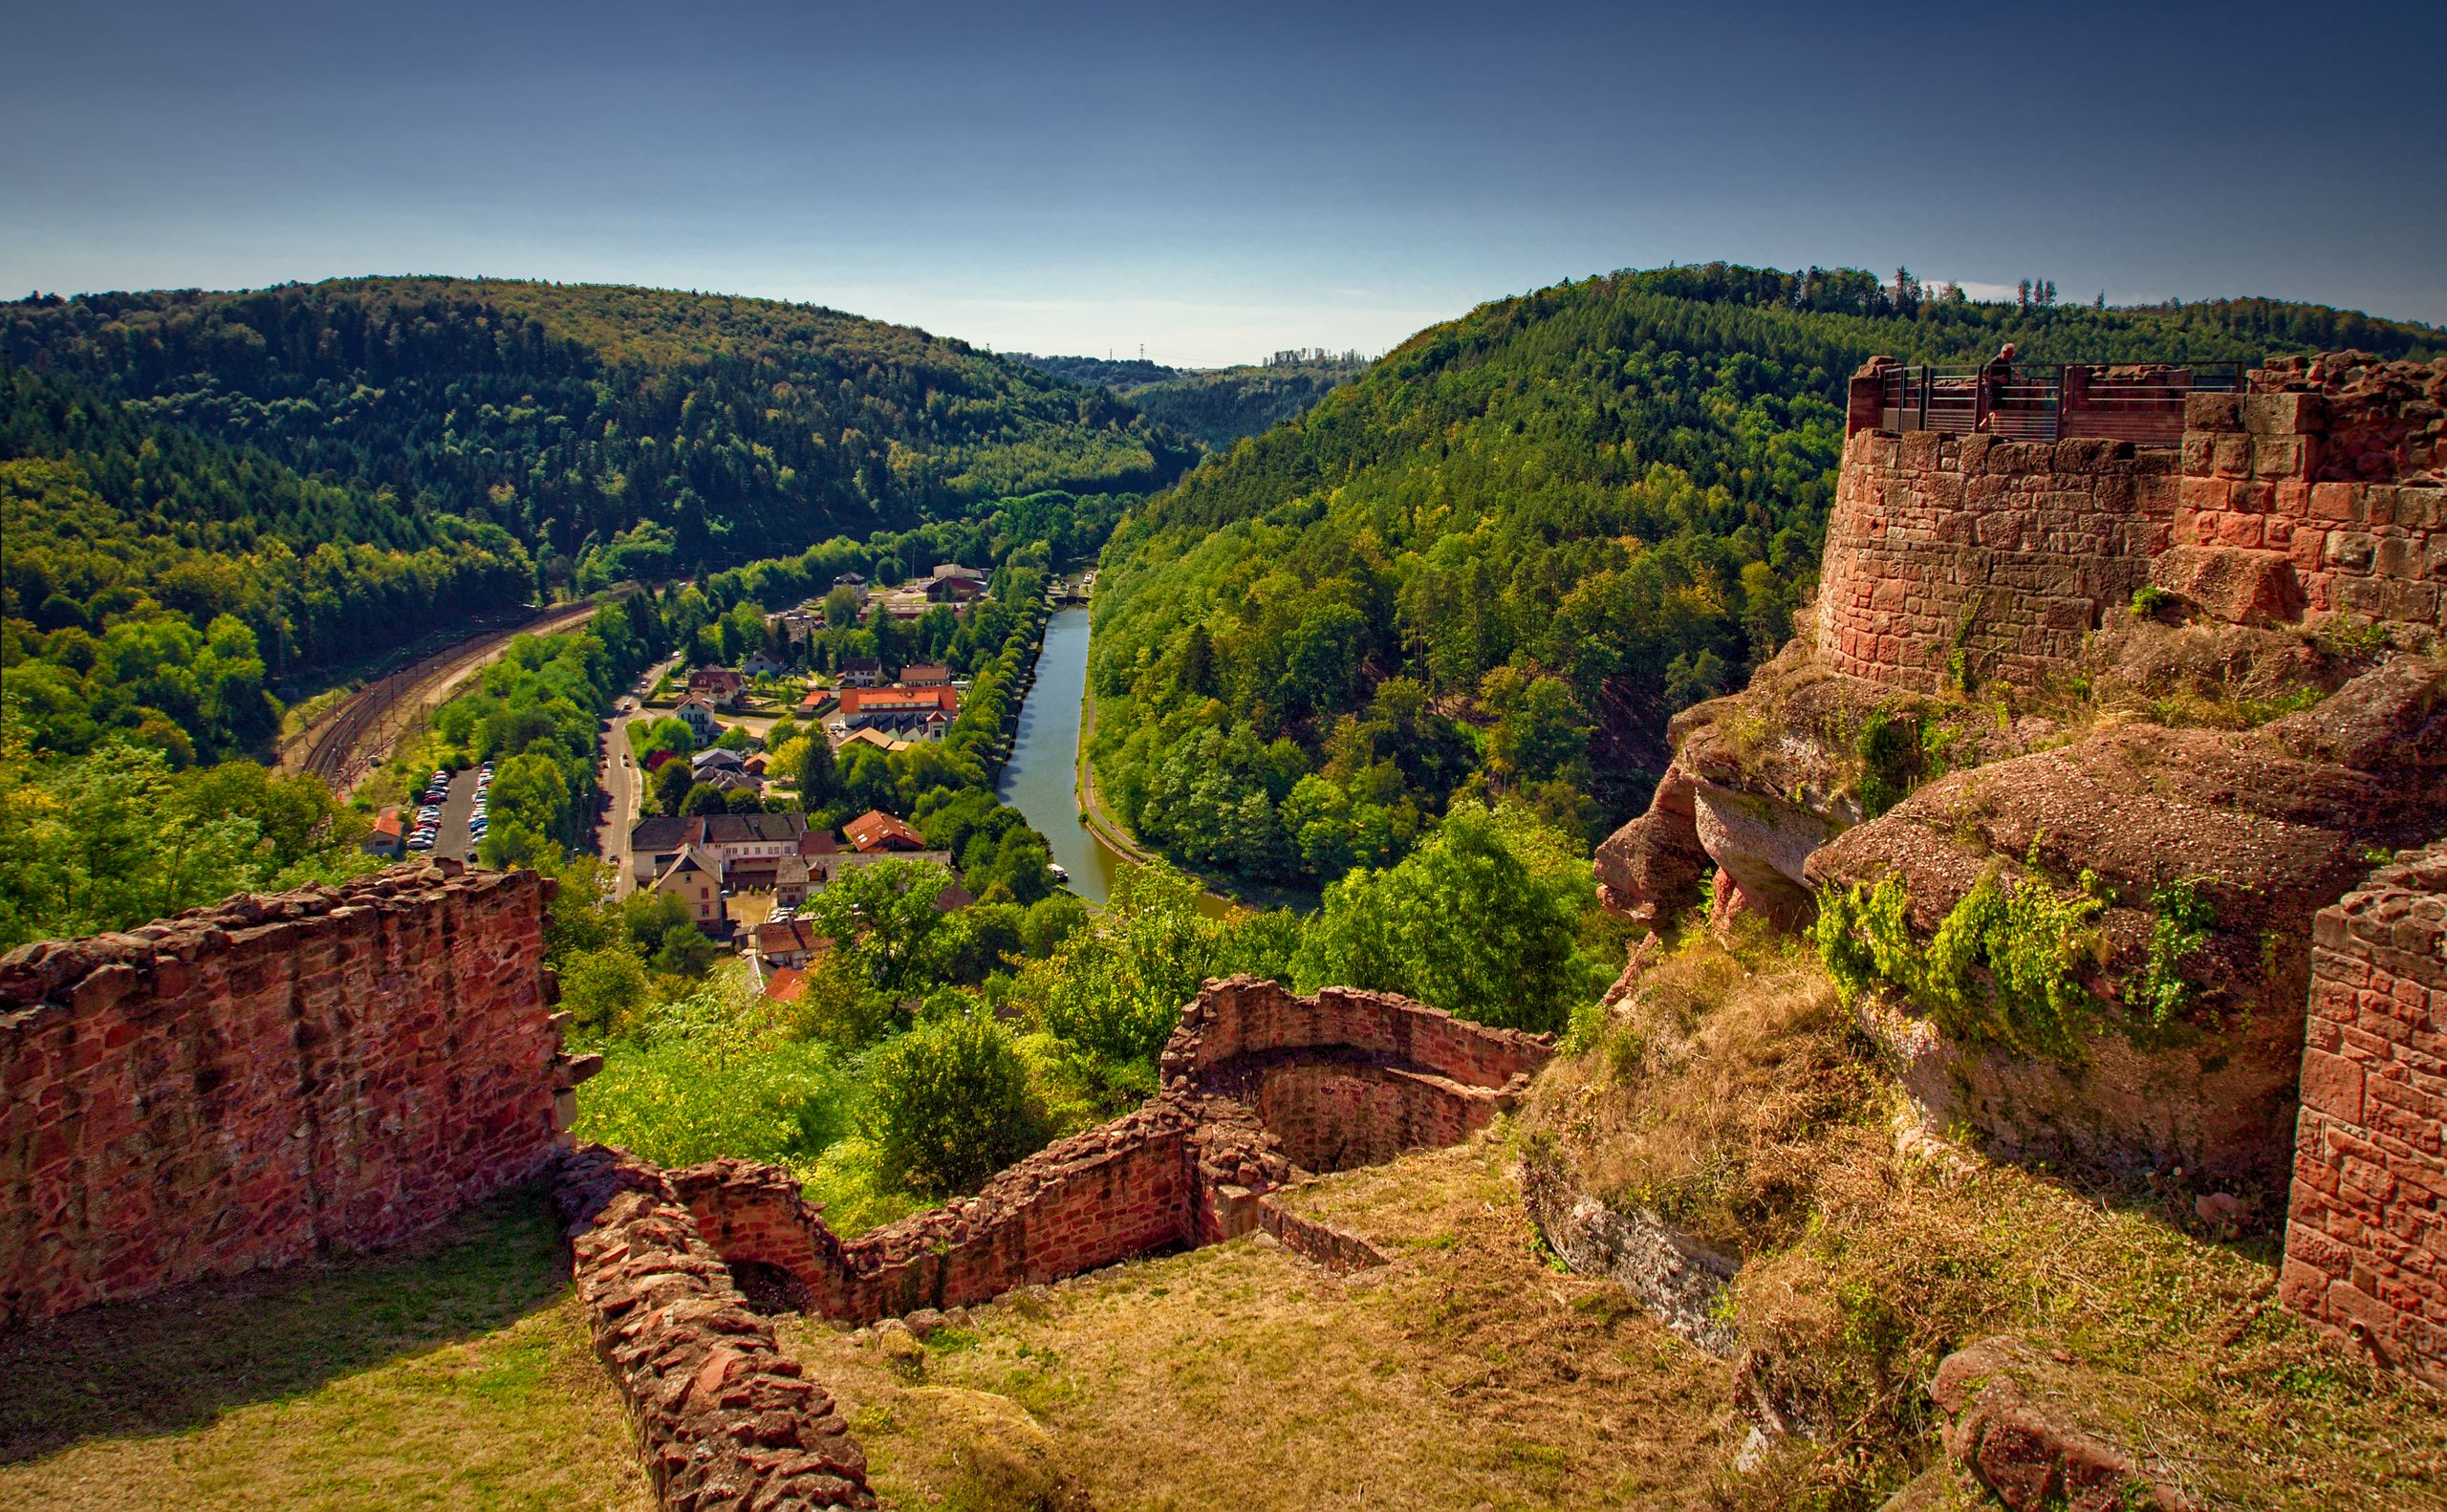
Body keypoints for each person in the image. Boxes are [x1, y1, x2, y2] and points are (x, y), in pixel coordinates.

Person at [1978, 341, 2018, 430]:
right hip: (1994, 390)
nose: (2011, 356)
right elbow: (1983, 374)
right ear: (2004, 352)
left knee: (1996, 412)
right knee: (1996, 411)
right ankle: (1988, 430)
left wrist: (2014, 372)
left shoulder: (2006, 361)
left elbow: (2008, 368)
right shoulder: (1994, 362)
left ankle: (1980, 427)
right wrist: (1996, 378)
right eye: (2010, 354)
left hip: (2002, 390)